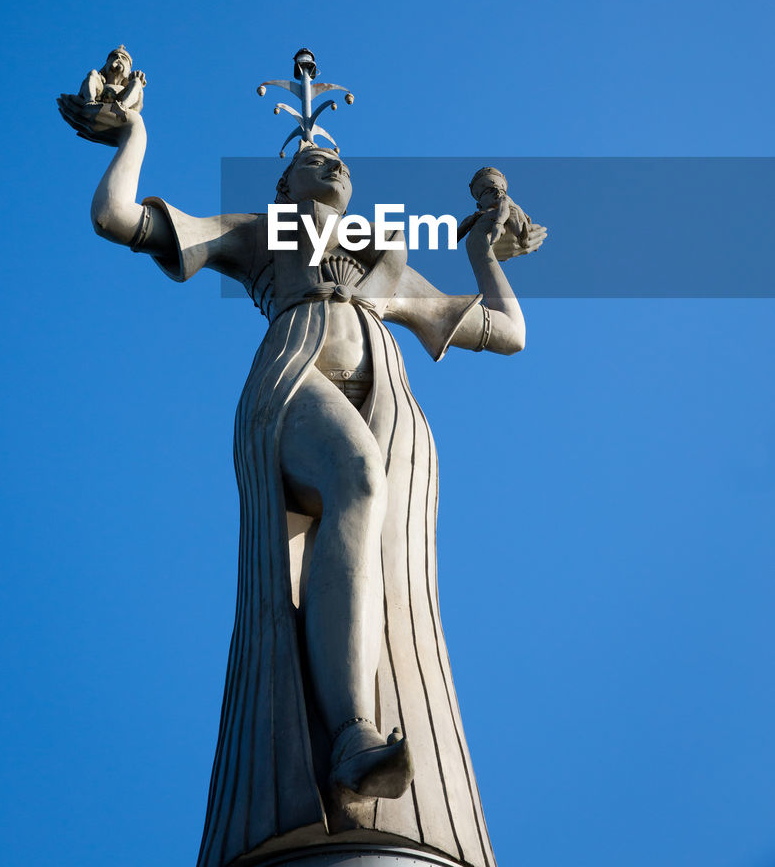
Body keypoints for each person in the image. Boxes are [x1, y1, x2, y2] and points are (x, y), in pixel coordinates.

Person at [87, 107, 540, 867]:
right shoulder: (260, 233)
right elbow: (116, 218)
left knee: (380, 551)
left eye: (339, 161)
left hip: (389, 405)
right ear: (281, 181)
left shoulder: (381, 261)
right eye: (312, 159)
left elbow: (508, 331)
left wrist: (480, 248)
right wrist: (131, 132)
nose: (331, 164)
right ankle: (354, 734)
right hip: (292, 381)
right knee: (357, 480)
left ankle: (357, 730)